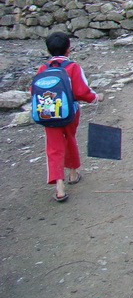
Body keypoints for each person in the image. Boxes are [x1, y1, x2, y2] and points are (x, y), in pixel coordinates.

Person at [36, 31, 103, 202]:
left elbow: (34, 91)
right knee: (70, 139)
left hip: (48, 114)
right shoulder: (73, 67)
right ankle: (73, 174)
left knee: (53, 147)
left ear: (48, 50)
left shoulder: (43, 69)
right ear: (68, 49)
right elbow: (81, 91)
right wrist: (96, 97)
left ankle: (59, 188)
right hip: (70, 113)